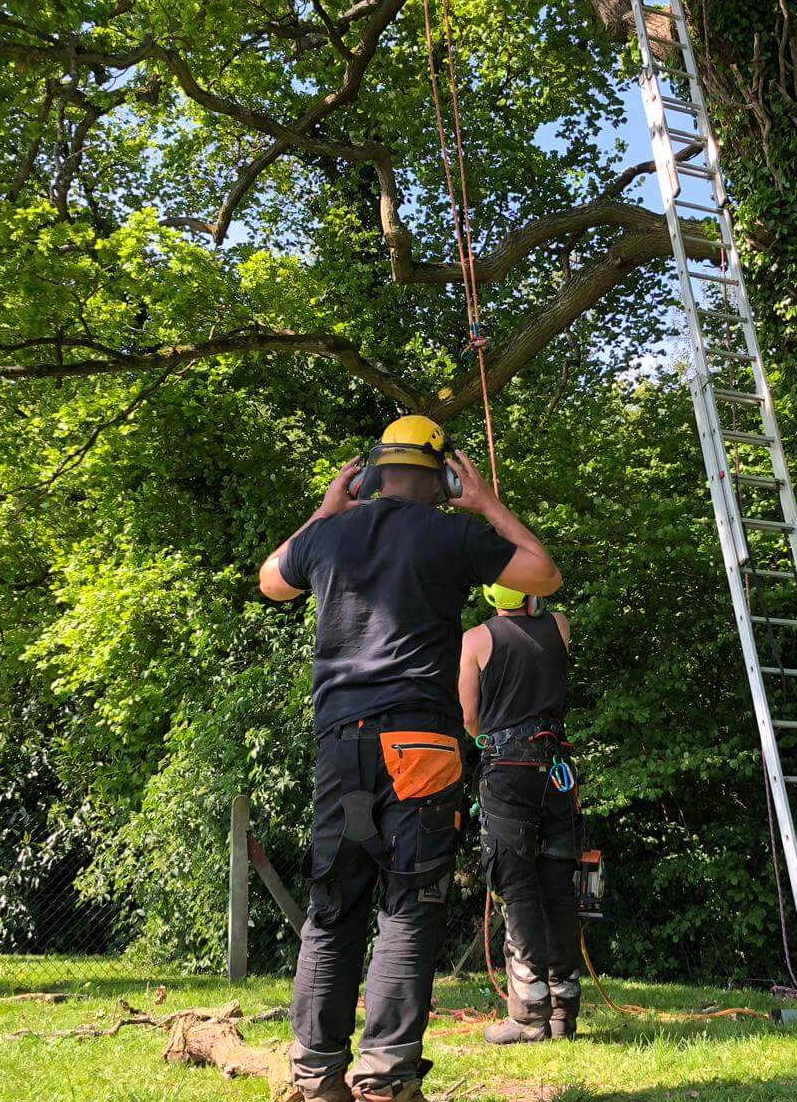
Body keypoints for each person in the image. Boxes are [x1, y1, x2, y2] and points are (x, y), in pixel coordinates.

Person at [258, 415, 561, 1102]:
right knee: (407, 906)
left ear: (368, 477)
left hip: (342, 746)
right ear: (442, 481)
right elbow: (545, 574)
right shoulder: (455, 532)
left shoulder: (328, 536)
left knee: (333, 906)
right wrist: (486, 504)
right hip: (419, 748)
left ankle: (314, 1079)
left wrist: (324, 509)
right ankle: (387, 1080)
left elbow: (271, 581)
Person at [457, 582, 581, 1044]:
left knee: (517, 884)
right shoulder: (560, 626)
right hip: (556, 768)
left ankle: (529, 1014)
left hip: (507, 768)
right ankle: (563, 1011)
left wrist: (489, 739)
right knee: (558, 884)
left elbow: (470, 716)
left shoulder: (475, 640)